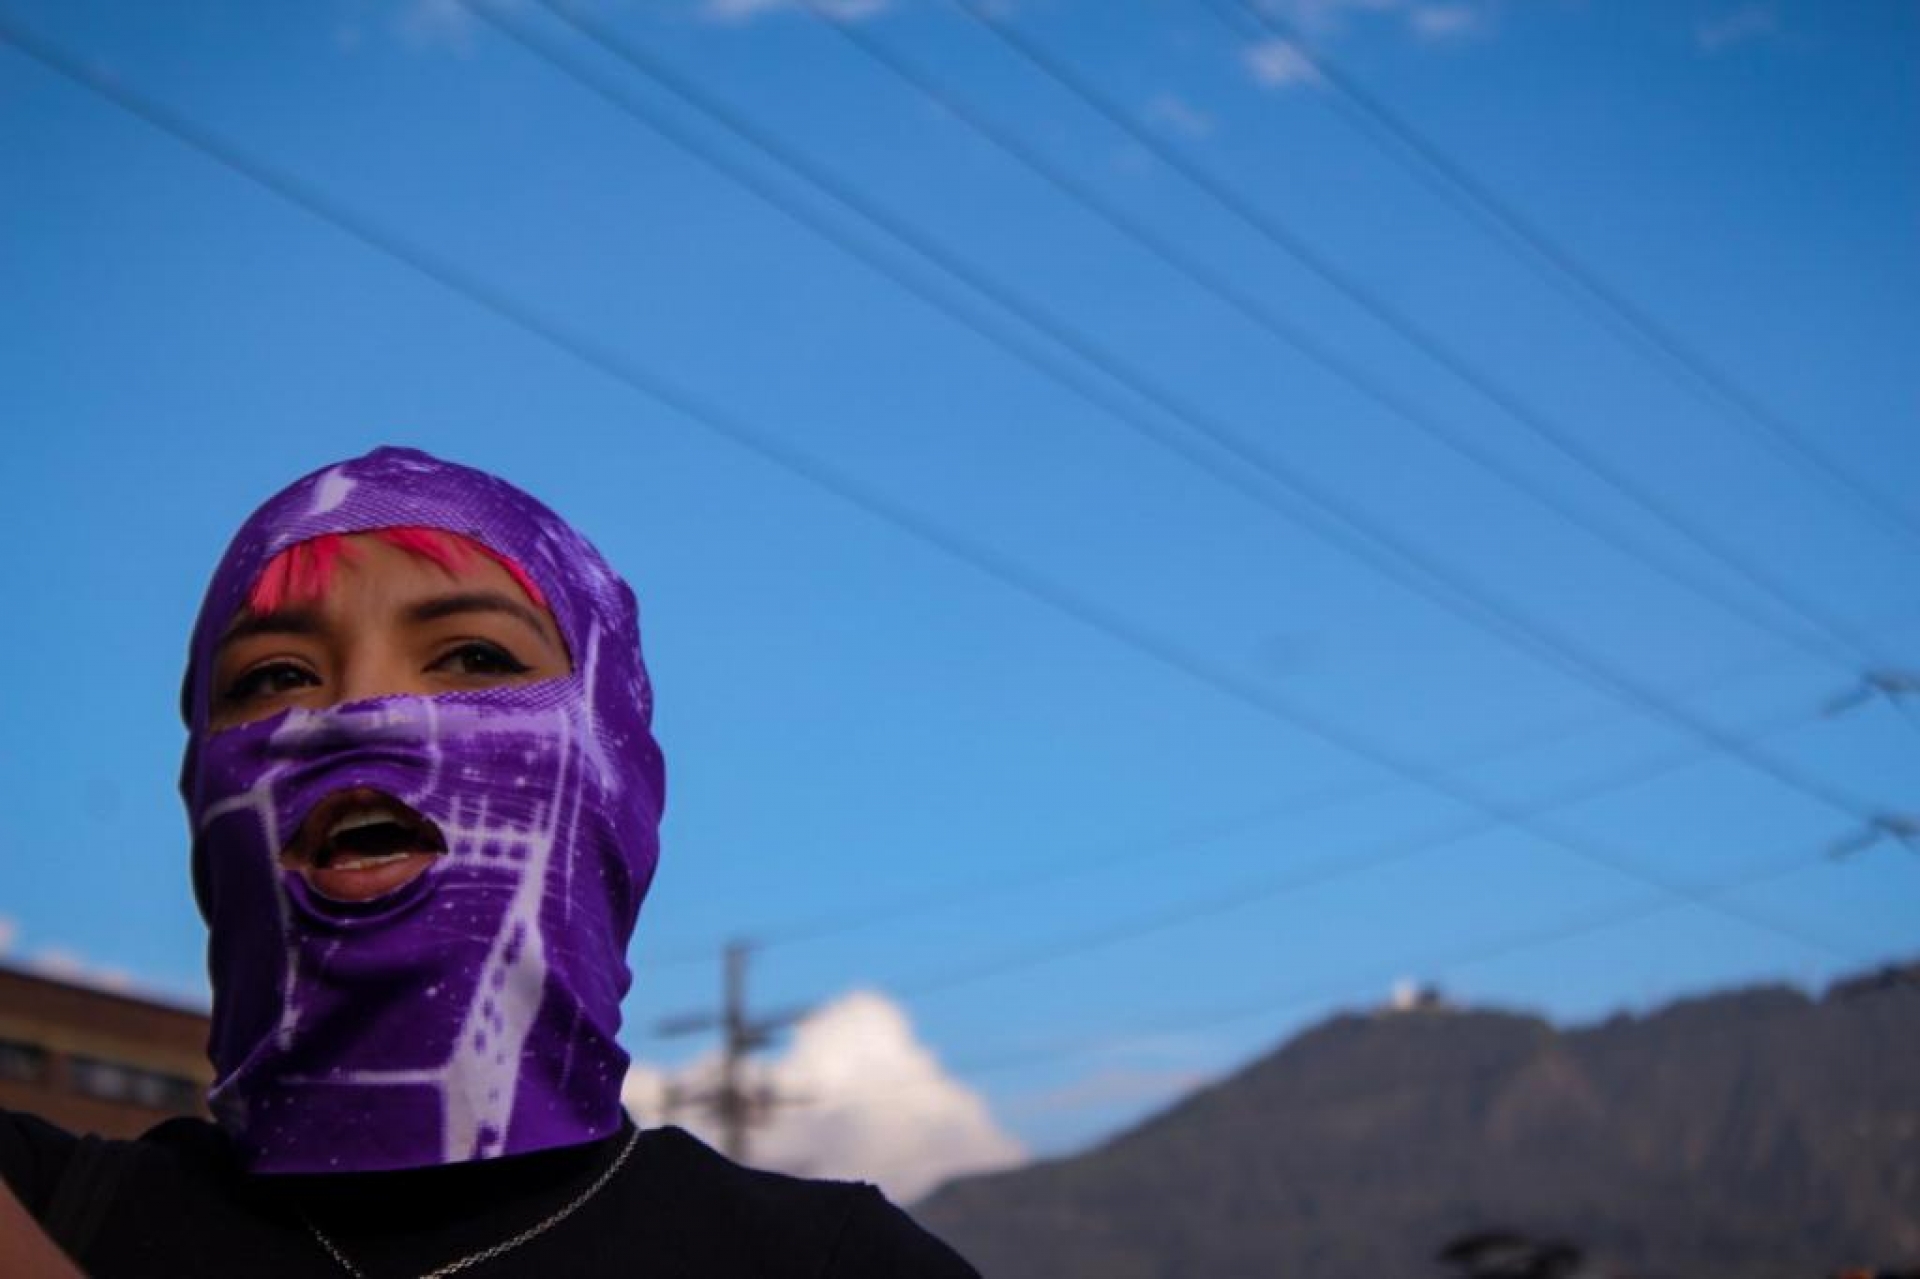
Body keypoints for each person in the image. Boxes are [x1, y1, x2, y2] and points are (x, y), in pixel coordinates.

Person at [0, 446, 979, 1277]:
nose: (362, 715)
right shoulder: (55, 1214)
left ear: (613, 764)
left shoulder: (826, 1264)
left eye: (474, 658)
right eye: (277, 675)